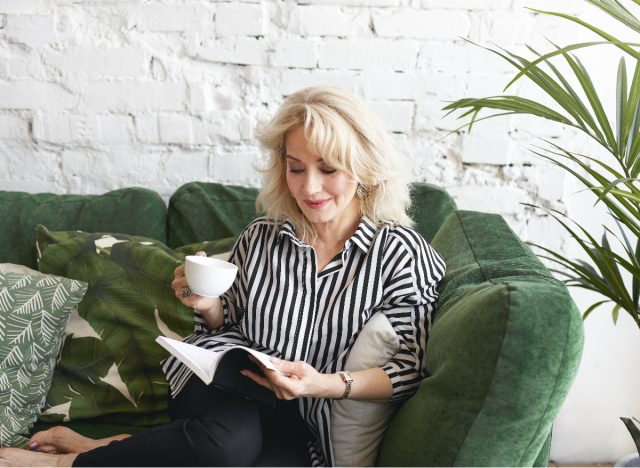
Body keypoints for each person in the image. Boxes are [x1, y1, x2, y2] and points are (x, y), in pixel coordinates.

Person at [0, 86, 446, 467]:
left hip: (312, 413)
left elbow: (405, 370)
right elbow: (224, 326)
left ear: (363, 168)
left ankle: (108, 447)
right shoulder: (262, 237)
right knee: (229, 444)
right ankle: (66, 462)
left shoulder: (402, 254)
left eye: (328, 169)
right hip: (227, 387)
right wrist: (208, 305)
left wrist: (322, 384)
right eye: (296, 168)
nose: (309, 188)